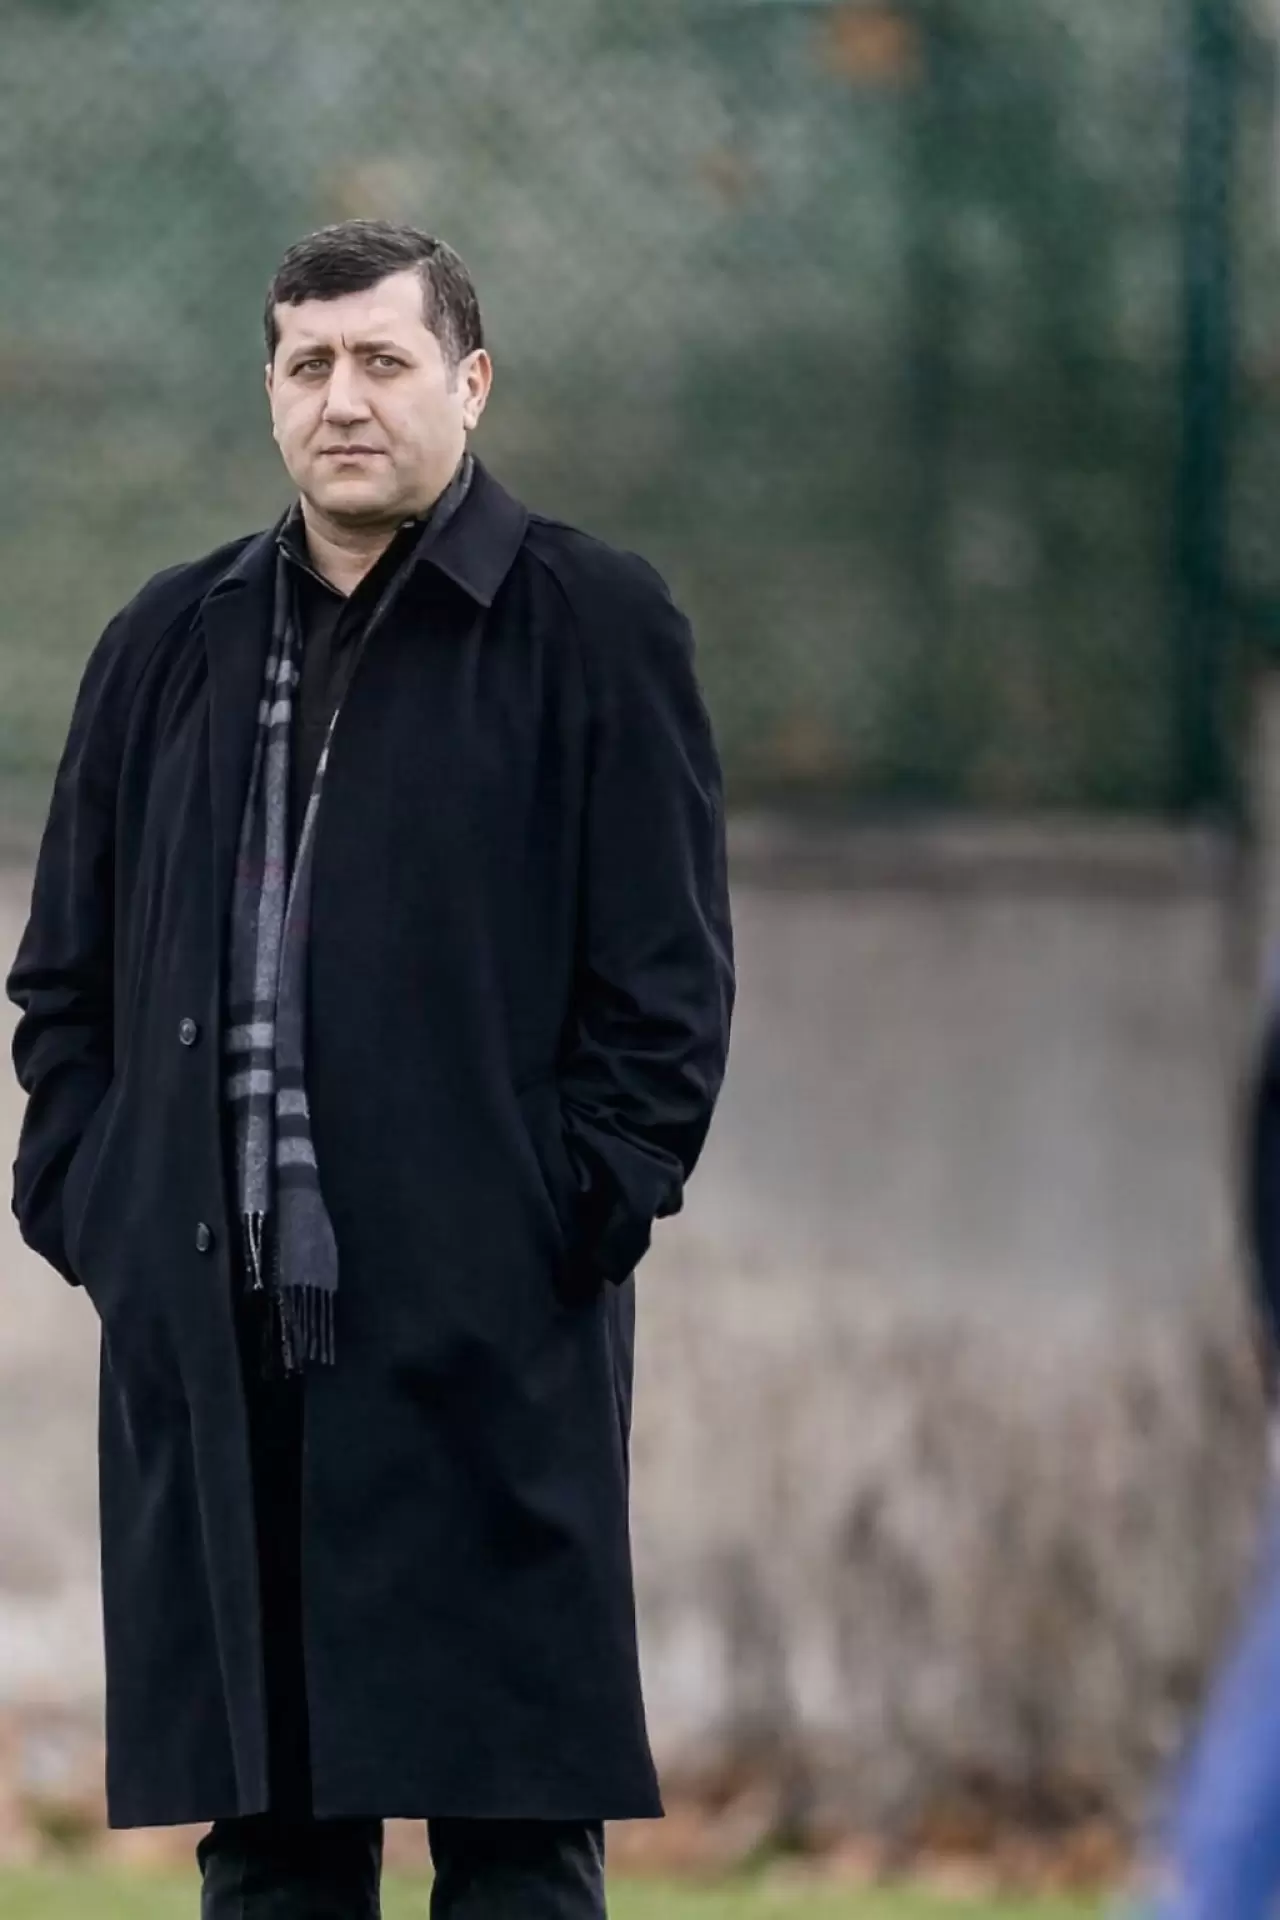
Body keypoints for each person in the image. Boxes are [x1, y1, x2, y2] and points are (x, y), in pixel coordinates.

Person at [6, 219, 735, 1918]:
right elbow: (65, 985)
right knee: (269, 1850)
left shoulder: (591, 620)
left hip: (492, 1333)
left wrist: (568, 1213)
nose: (344, 398)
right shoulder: (165, 640)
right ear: (270, 391)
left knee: (516, 1837)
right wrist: (103, 1210)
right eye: (309, 363)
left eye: (384, 360)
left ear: (469, 384)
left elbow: (667, 989)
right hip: (224, 1333)